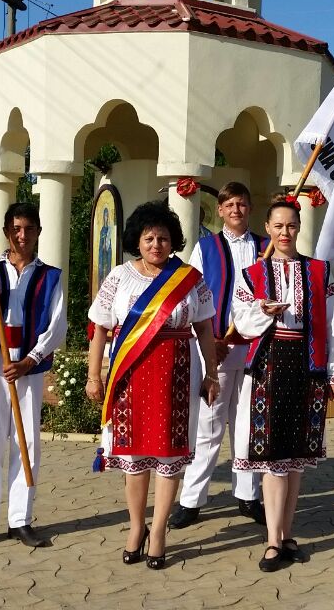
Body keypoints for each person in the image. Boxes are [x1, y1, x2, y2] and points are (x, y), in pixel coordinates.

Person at [86, 200, 220, 570]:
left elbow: (206, 328)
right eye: (149, 238)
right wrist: (93, 375)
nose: (156, 244)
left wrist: (212, 373)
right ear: (138, 241)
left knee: (169, 456)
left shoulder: (189, 278)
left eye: (162, 237)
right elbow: (99, 328)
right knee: (133, 458)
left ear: (172, 240)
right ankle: (135, 528)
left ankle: (159, 530)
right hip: (131, 375)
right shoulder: (120, 277)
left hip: (178, 374)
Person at [229, 197, 334, 572]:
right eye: (278, 226)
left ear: (299, 228)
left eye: (291, 226)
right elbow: (241, 322)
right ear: (267, 228)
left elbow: (333, 325)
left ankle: (287, 533)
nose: (285, 232)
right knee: (273, 457)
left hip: (308, 366)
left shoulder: (319, 271)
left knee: (295, 457)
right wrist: (262, 311)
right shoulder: (252, 274)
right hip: (269, 366)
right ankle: (271, 540)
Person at [0, 202, 68, 552]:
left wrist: (30, 360)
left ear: (38, 231)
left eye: (29, 228)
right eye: (16, 229)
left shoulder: (51, 275)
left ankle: (20, 519)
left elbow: (58, 327)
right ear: (7, 232)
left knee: (26, 443)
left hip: (28, 368)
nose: (23, 235)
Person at [170, 182, 269, 530]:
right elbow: (196, 294)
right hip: (219, 346)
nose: (236, 210)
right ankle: (192, 500)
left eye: (241, 204)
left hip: (257, 346)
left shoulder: (265, 246)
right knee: (209, 425)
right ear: (221, 210)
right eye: (229, 205)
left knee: (247, 425)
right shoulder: (206, 247)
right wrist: (209, 341)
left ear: (249, 208)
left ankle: (248, 495)